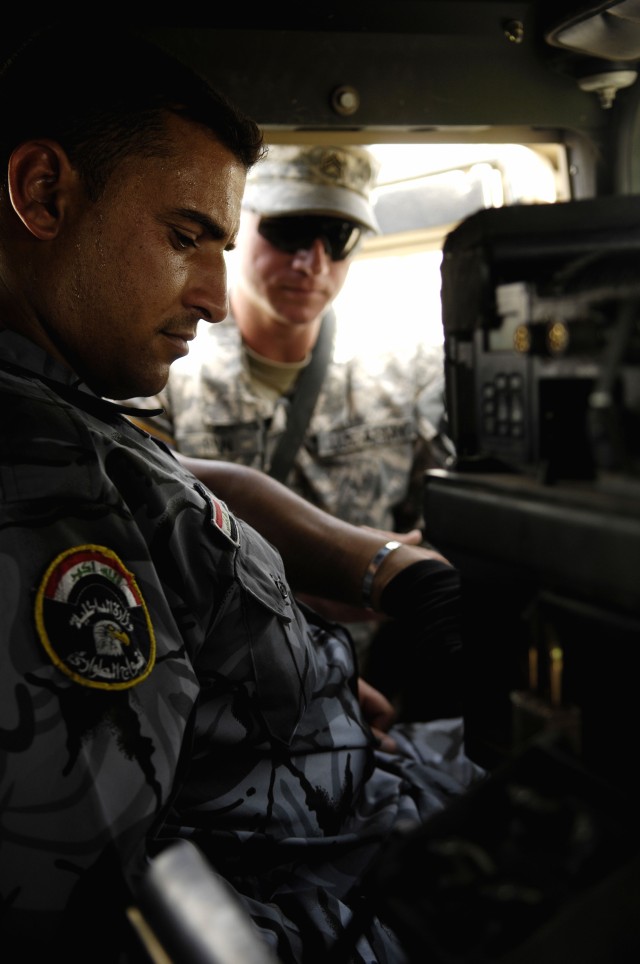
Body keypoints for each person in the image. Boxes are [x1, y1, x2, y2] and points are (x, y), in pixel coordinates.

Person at [0, 25, 486, 963]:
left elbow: (186, 486)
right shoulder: (36, 483)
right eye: (185, 237)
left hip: (353, 803)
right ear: (43, 193)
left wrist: (374, 587)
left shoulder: (80, 414)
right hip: (344, 887)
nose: (215, 299)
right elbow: (108, 911)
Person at [121, 143, 454, 705]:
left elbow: (440, 530)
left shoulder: (408, 381)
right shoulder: (159, 380)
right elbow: (151, 560)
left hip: (374, 690)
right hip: (217, 697)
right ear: (237, 225)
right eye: (291, 233)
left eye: (338, 239)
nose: (313, 263)